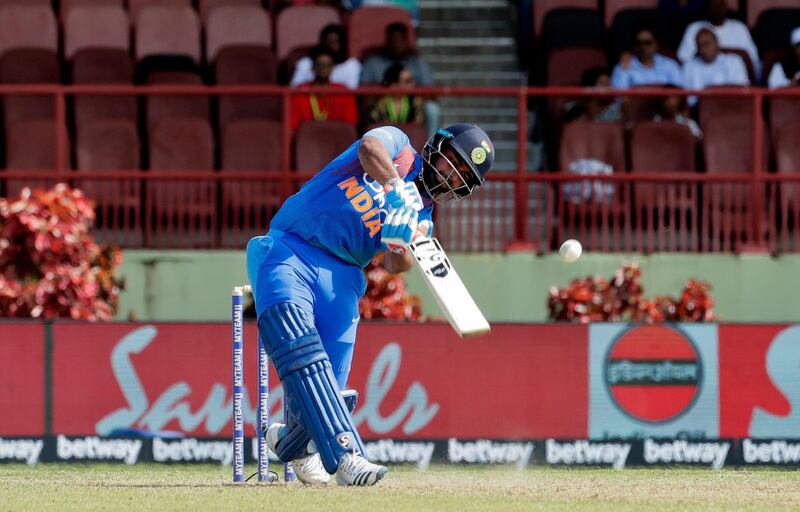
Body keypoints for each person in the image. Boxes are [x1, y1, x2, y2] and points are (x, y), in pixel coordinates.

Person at [246, 123, 494, 486]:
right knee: (296, 341)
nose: (449, 175)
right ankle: (347, 456)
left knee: (329, 385)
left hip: (343, 278)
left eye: (460, 177)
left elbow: (398, 265)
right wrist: (396, 189)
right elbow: (368, 147)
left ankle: (291, 444)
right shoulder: (399, 148)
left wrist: (400, 241)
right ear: (435, 148)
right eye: (451, 161)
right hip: (291, 247)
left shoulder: (422, 219)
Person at [360, 23, 439, 134]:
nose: (396, 44)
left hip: (413, 106)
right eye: (393, 40)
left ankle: (430, 146)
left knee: (432, 109)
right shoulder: (373, 62)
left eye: (400, 40)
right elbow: (364, 92)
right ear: (387, 41)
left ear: (407, 41)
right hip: (382, 105)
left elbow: (432, 92)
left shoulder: (417, 62)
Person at [676, 0, 760, 79]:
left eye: (720, 5)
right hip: (700, 78)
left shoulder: (739, 28)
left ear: (725, 6)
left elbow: (753, 61)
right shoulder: (694, 28)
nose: (717, 9)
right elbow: (683, 60)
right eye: (713, 5)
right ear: (707, 7)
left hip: (733, 77)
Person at [290, 47, 358, 130]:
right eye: (320, 65)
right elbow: (292, 126)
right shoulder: (300, 91)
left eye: (328, 65)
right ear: (312, 67)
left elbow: (350, 126)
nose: (324, 68)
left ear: (333, 68)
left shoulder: (343, 92)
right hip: (307, 139)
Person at [682, 27, 749, 105]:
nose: (703, 49)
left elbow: (741, 90)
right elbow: (687, 97)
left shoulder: (734, 61)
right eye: (700, 46)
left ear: (717, 43)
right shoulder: (689, 66)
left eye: (706, 44)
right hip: (697, 111)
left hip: (730, 107)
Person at [291, 24, 362, 90]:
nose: (331, 46)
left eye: (336, 42)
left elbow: (351, 91)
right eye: (328, 41)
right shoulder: (305, 63)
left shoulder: (352, 65)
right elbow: (295, 89)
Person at [611, 27, 685, 89]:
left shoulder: (670, 65)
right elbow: (619, 97)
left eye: (648, 43)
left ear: (656, 44)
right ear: (634, 46)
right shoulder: (624, 66)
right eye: (639, 43)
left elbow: (679, 93)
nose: (643, 47)